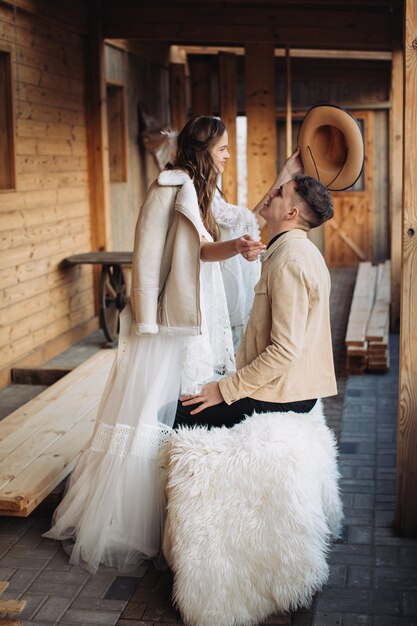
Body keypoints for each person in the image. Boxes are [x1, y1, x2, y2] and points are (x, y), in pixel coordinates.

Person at [43, 116, 264, 574]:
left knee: (180, 404)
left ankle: (176, 507)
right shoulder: (169, 185)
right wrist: (145, 317)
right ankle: (131, 516)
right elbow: (145, 252)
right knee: (154, 408)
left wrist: (238, 246)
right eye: (223, 149)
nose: (227, 156)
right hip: (167, 317)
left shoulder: (198, 189)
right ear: (205, 149)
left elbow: (202, 249)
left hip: (194, 308)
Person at [176, 159, 338, 429]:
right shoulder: (295, 251)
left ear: (291, 213)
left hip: (285, 393)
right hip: (286, 384)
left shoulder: (290, 262)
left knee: (173, 414)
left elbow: (285, 351)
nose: (270, 193)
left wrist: (225, 389)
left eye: (280, 193)